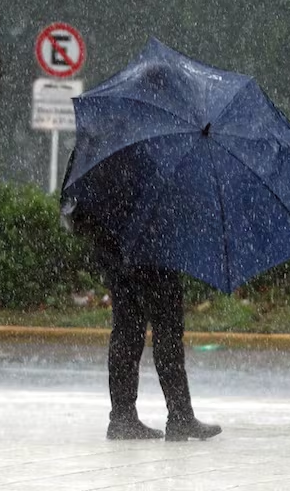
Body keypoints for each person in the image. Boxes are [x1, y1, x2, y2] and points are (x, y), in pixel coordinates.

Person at [61, 151, 222, 441]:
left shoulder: (98, 141)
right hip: (150, 246)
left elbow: (74, 203)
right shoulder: (148, 147)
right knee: (167, 328)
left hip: (114, 247)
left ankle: (123, 416)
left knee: (128, 327)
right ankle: (179, 415)